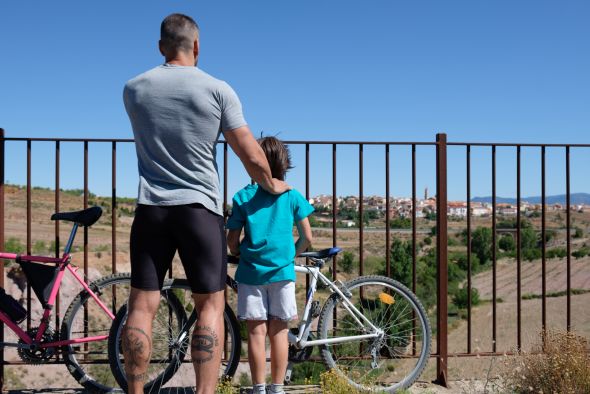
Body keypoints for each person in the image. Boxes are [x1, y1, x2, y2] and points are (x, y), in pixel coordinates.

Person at [122, 13, 290, 394]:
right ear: (197, 46)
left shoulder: (133, 88)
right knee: (210, 306)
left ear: (161, 46)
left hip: (151, 209)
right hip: (200, 210)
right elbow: (249, 151)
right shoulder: (217, 89)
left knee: (142, 305)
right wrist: (271, 184)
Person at [226, 137, 314, 394]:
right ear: (284, 164)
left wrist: (241, 252)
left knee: (255, 333)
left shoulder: (243, 197)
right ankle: (277, 388)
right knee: (279, 332)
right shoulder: (292, 195)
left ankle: (258, 388)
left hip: (251, 273)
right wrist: (290, 256)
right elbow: (307, 238)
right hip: (282, 274)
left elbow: (232, 241)